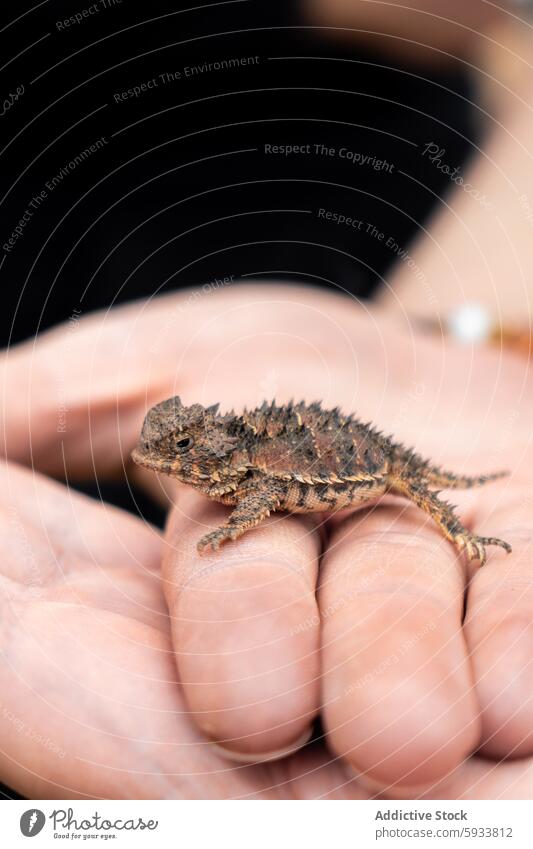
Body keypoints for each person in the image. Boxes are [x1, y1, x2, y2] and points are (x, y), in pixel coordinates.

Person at [1, 0, 532, 800]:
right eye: (170, 447)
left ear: (203, 452)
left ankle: (461, 526)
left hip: (385, 215)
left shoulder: (254, 477)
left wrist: (470, 342)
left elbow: (476, 21)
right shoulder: (224, 462)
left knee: (416, 495)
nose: (172, 457)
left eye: (179, 450)